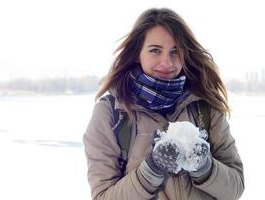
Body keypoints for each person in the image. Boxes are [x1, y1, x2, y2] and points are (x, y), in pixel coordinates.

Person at [83, 7, 244, 200]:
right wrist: (151, 170)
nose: (166, 62)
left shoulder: (204, 106)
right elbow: (102, 196)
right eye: (155, 51)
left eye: (175, 52)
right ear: (137, 53)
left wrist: (204, 168)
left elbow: (235, 188)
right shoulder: (110, 113)